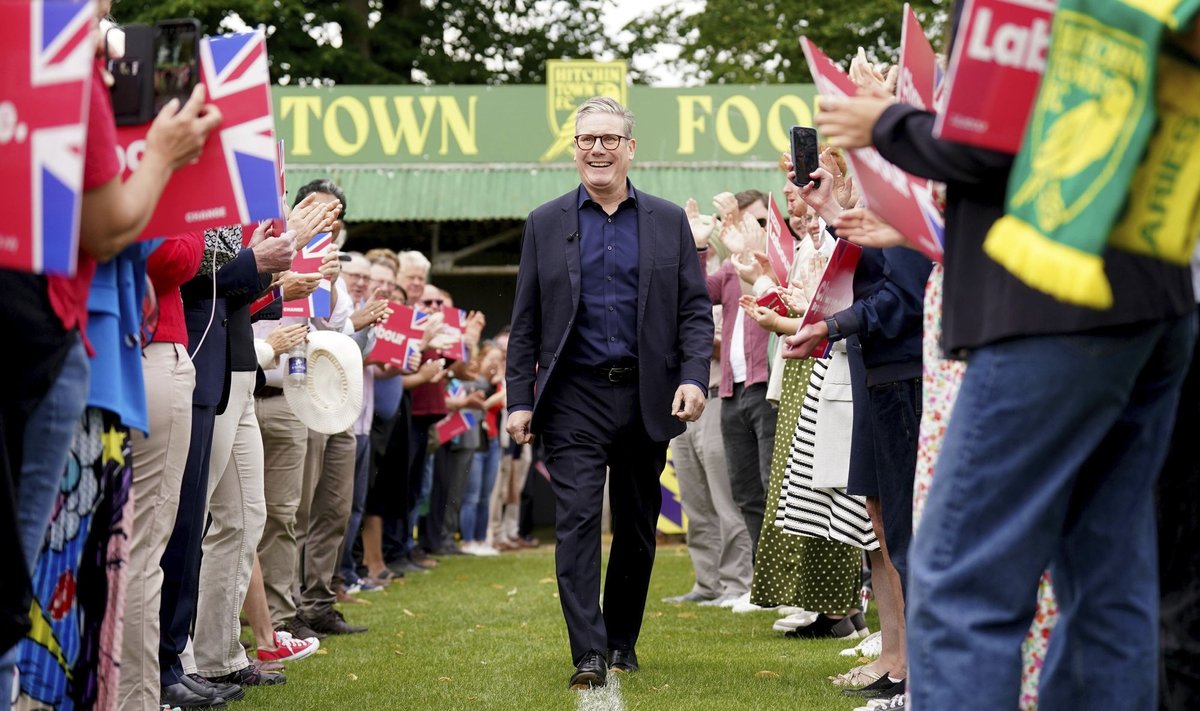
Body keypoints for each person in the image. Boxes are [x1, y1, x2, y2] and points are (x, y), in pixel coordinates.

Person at [505, 96, 713, 689]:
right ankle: (588, 652)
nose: (597, 148)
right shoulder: (544, 222)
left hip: (647, 397)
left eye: (609, 139)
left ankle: (622, 640)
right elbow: (526, 320)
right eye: (586, 139)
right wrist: (520, 397)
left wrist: (693, 377)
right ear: (574, 149)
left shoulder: (668, 220)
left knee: (639, 526)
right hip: (573, 398)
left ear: (630, 148)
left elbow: (695, 312)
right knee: (574, 521)